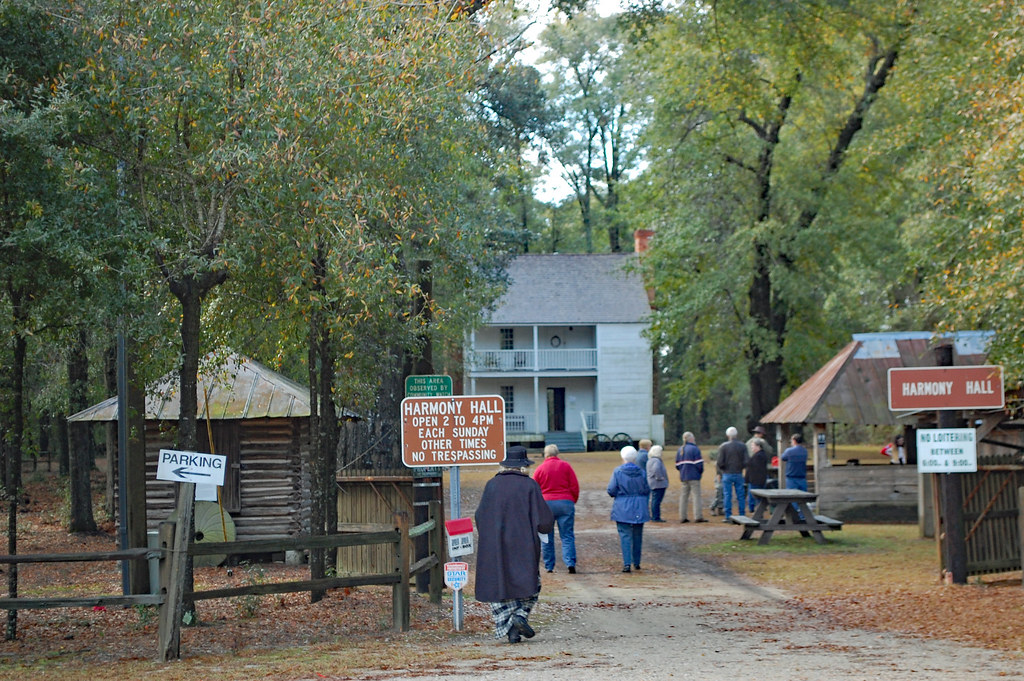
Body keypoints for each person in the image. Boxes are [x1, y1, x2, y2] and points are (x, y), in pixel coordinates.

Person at [474, 446, 554, 644]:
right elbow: (543, 518)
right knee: (529, 583)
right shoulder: (529, 486)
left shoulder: (491, 485)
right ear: (523, 466)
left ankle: (511, 629)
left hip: (496, 545)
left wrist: (488, 535)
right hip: (523, 544)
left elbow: (479, 515)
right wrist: (544, 529)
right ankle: (520, 616)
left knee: (501, 584)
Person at [532, 444, 580, 574]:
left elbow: (534, 488)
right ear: (557, 454)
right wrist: (572, 500)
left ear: (545, 454)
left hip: (546, 503)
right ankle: (570, 562)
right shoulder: (566, 466)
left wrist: (537, 505)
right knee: (567, 535)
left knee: (547, 536)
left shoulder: (540, 468)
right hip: (565, 502)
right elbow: (574, 486)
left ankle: (549, 565)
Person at [607, 445, 650, 573]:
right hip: (639, 505)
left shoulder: (618, 472)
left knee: (625, 535)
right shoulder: (642, 472)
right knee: (637, 534)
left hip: (623, 505)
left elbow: (611, 489)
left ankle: (627, 563)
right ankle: (636, 561)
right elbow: (647, 488)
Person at [716, 426, 748, 522]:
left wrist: (723, 470)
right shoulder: (742, 446)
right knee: (740, 495)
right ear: (736, 435)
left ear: (727, 435)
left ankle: (728, 515)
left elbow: (719, 462)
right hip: (738, 473)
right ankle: (742, 514)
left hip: (727, 473)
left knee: (727, 495)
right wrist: (741, 467)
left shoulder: (723, 446)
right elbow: (746, 460)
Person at [675, 432, 706, 523]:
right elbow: (699, 464)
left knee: (683, 497)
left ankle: (682, 516)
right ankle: (698, 516)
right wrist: (699, 472)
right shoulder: (695, 449)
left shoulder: (680, 449)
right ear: (691, 439)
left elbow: (677, 465)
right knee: (696, 496)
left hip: (684, 476)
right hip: (694, 476)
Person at [781, 433, 809, 520]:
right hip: (802, 477)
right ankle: (802, 515)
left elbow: (783, 458)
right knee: (802, 499)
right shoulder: (805, 451)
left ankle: (793, 516)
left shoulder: (789, 451)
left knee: (792, 498)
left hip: (791, 477)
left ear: (794, 441)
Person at [744, 438, 769, 513]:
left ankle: (756, 511)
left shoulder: (759, 456)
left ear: (758, 446)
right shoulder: (759, 455)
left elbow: (754, 468)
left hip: (756, 480)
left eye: (752, 446)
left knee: (755, 496)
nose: (751, 447)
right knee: (755, 496)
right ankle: (756, 509)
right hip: (757, 479)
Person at [646, 445, 669, 522]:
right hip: (658, 484)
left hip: (652, 483)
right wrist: (660, 477)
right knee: (657, 501)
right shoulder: (657, 461)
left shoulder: (650, 460)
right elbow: (656, 469)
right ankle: (656, 517)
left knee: (654, 500)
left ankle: (655, 516)